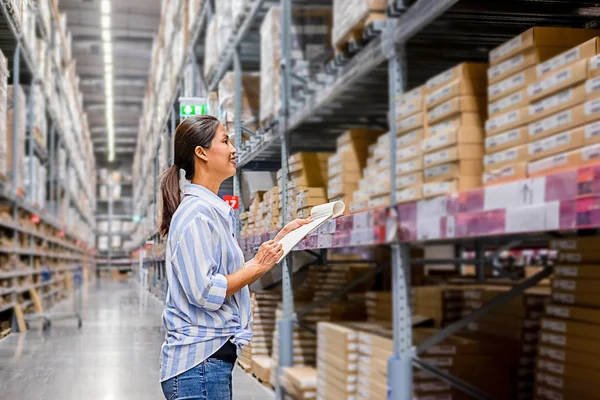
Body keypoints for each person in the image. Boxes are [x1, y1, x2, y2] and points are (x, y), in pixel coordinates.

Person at [158, 115, 310, 400]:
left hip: (206, 365)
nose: (233, 149)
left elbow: (227, 272)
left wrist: (282, 238)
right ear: (201, 153)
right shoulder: (195, 216)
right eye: (225, 140)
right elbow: (204, 291)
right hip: (197, 367)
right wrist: (257, 265)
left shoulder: (209, 213)